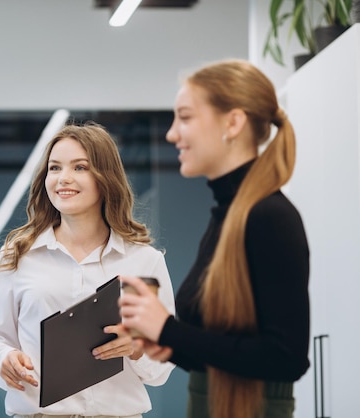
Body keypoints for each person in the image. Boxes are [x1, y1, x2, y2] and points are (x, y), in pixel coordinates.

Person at [119, 59, 310, 418]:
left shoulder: (270, 217)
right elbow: (229, 354)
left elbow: (284, 359)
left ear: (233, 122)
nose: (172, 134)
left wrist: (169, 330)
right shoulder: (226, 217)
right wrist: (170, 344)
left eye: (186, 117)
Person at [0, 122, 176, 418]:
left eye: (80, 167)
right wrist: (4, 360)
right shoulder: (18, 256)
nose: (63, 179)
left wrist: (136, 347)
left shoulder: (143, 262)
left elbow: (161, 368)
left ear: (105, 178)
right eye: (54, 168)